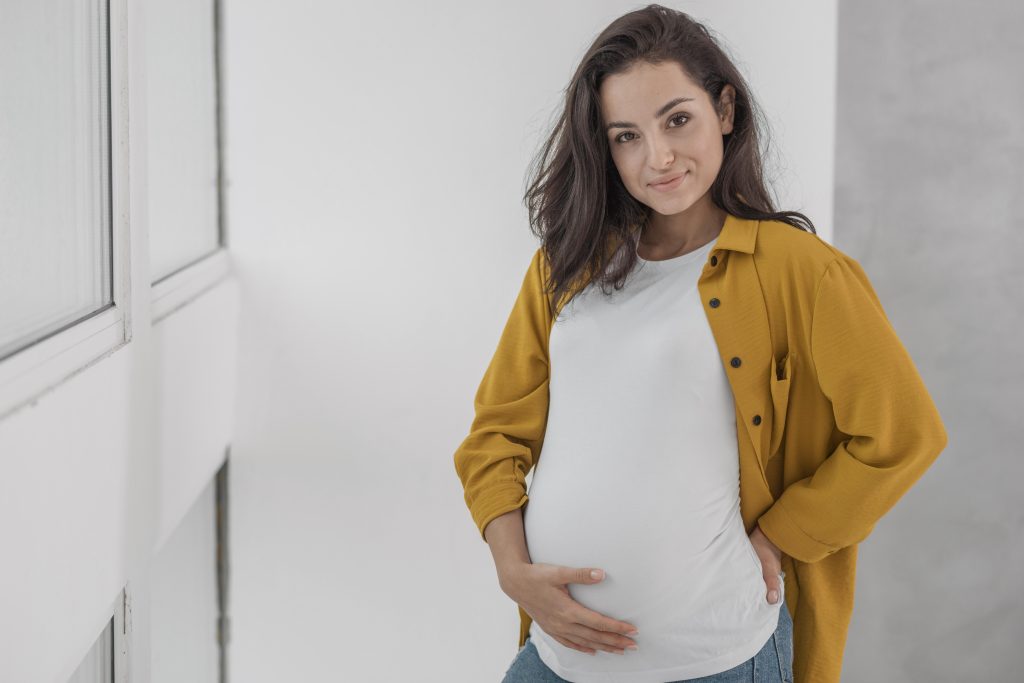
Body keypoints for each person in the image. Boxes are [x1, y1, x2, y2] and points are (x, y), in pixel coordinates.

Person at [452, 5, 947, 683]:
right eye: (625, 135)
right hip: (557, 658)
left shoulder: (796, 268)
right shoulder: (564, 267)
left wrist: (780, 538)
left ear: (725, 109)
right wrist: (514, 570)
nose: (656, 156)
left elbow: (903, 433)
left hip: (715, 659)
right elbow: (495, 435)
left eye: (676, 119)